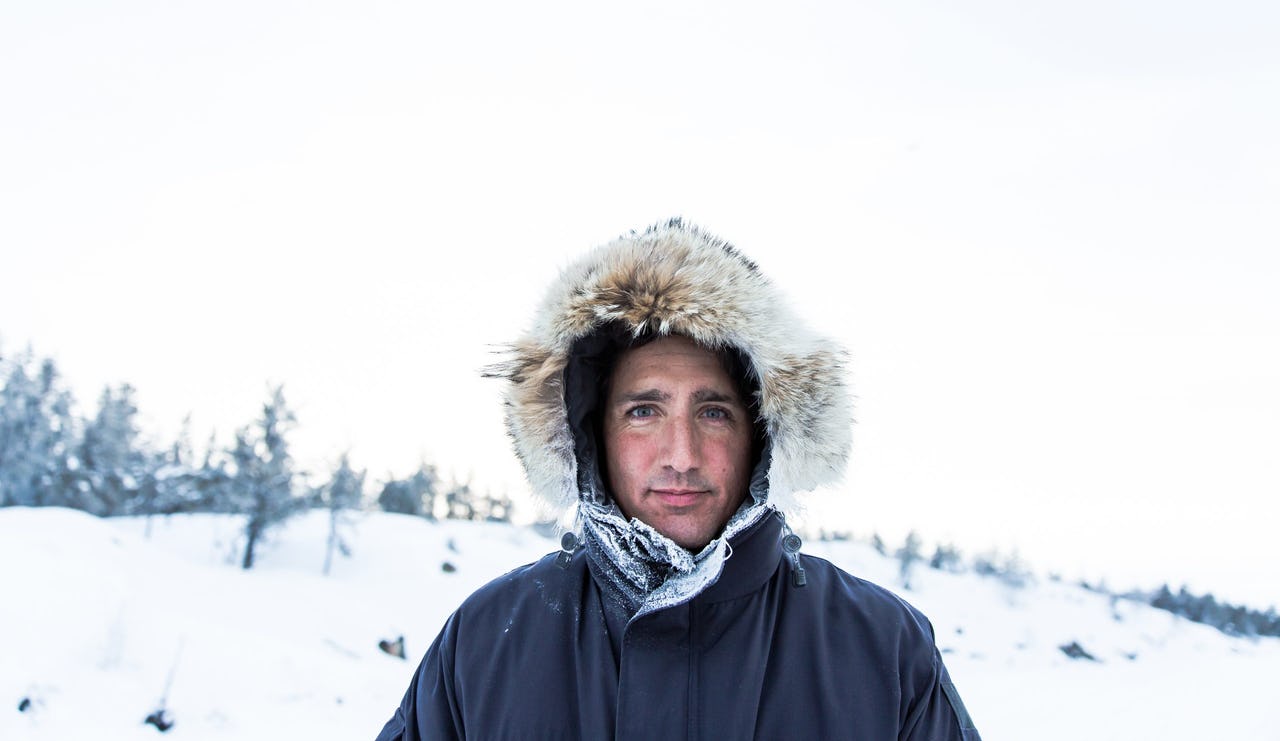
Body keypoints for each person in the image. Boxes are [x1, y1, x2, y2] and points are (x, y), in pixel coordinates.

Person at [375, 218, 980, 740]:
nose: (682, 455)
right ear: (591, 434)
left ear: (763, 435)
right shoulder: (485, 643)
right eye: (644, 412)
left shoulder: (882, 649)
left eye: (713, 413)